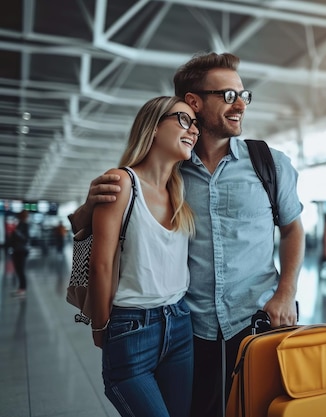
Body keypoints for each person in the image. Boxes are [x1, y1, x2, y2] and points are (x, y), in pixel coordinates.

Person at [68, 52, 305, 417]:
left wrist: (286, 293)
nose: (240, 103)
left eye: (244, 95)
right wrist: (88, 210)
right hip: (190, 330)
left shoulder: (270, 164)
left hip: (257, 321)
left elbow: (292, 229)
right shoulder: (172, 175)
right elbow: (113, 233)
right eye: (228, 95)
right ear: (194, 101)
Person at [88, 96, 199, 416]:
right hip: (131, 325)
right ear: (152, 128)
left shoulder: (178, 191)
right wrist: (101, 327)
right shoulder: (123, 182)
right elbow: (101, 264)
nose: (192, 130)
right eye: (182, 120)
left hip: (179, 323)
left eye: (195, 124)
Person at [9, 210, 30, 297]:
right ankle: (20, 288)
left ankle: (22, 289)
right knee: (18, 270)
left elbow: (25, 238)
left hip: (21, 250)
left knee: (21, 270)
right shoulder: (19, 224)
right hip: (16, 250)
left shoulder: (25, 225)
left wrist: (16, 232)